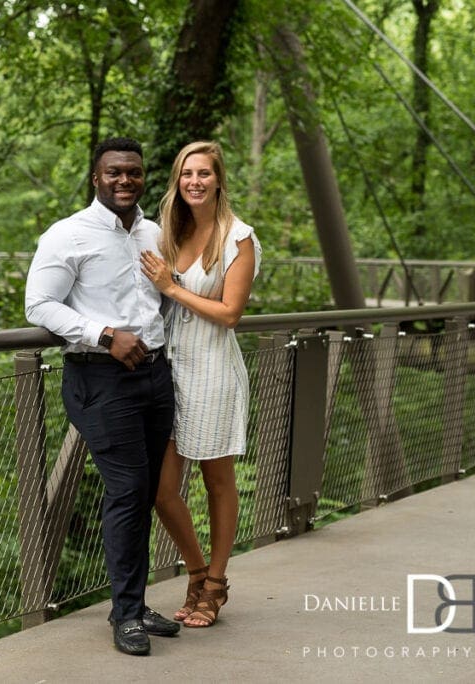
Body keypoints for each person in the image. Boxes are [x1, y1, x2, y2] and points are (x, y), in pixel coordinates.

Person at [25, 137, 180, 656]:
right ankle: (128, 614)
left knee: (144, 489)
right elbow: (39, 304)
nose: (124, 181)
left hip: (155, 378)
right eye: (113, 173)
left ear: (142, 177)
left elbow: (166, 301)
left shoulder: (155, 233)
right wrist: (105, 334)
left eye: (133, 173)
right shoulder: (66, 235)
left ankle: (129, 604)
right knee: (128, 489)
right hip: (100, 377)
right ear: (96, 178)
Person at [139, 140, 261, 628]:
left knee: (217, 481)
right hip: (169, 370)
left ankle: (215, 584)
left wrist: (172, 287)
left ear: (218, 179)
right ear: (177, 179)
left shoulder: (238, 238)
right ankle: (195, 571)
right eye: (187, 173)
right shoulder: (169, 231)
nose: (195, 181)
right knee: (162, 490)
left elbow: (230, 314)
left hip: (212, 371)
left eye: (204, 173)